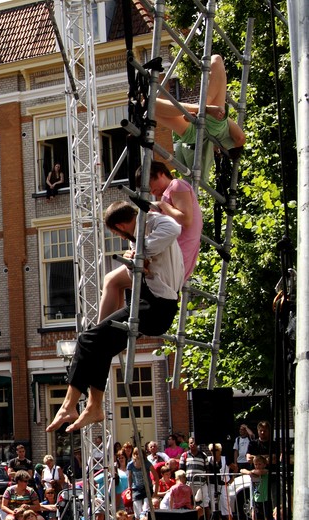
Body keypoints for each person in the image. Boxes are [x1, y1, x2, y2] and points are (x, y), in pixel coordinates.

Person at [48, 201, 183, 433]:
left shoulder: (152, 222)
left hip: (158, 306)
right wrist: (138, 263)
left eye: (115, 232)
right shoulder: (135, 239)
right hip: (150, 301)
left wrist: (139, 253)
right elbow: (142, 272)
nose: (120, 238)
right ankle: (94, 406)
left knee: (86, 339)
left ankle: (69, 405)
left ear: (121, 225)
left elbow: (174, 228)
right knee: (100, 346)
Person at [98, 161, 200, 323]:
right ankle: (109, 328)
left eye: (150, 185)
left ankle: (100, 331)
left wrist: (162, 205)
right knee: (117, 283)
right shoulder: (168, 194)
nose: (151, 191)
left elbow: (185, 220)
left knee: (111, 280)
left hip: (173, 262)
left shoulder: (176, 185)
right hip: (170, 259)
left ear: (159, 173)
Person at [154, 54, 246, 175]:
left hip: (213, 124)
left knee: (217, 59)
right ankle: (201, 109)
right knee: (148, 104)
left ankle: (201, 108)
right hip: (194, 136)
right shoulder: (224, 146)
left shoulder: (236, 142)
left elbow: (240, 138)